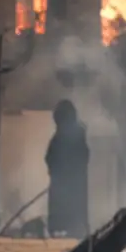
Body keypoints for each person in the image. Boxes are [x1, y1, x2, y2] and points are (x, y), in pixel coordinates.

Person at [45, 99, 90, 237]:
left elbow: (82, 158)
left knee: (70, 215)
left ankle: (68, 229)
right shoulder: (66, 136)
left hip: (70, 186)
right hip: (65, 185)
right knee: (68, 215)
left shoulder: (70, 137)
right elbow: (50, 157)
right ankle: (65, 229)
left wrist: (61, 171)